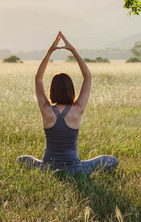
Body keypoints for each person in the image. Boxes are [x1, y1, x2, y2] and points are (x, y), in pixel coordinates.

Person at [17, 32, 118, 175]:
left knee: (22, 159)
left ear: (52, 91)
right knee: (112, 160)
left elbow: (38, 78)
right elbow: (87, 76)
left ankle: (45, 168)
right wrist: (72, 50)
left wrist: (50, 51)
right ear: (71, 90)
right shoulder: (78, 109)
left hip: (48, 168)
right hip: (74, 170)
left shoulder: (45, 109)